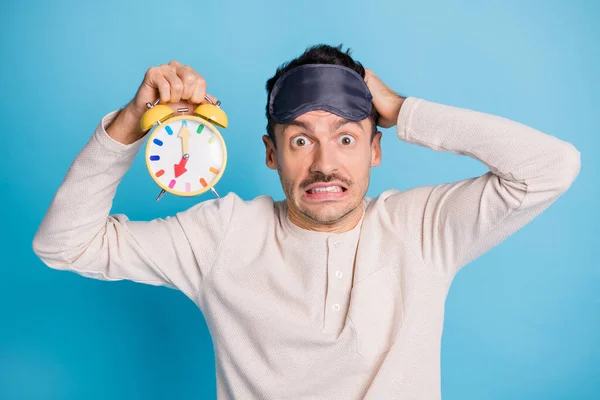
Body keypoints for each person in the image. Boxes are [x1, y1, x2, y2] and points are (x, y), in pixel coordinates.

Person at [32, 44, 581, 399]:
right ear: (271, 154)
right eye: (300, 140)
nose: (324, 164)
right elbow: (66, 245)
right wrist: (130, 122)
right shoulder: (222, 234)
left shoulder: (423, 228)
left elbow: (553, 167)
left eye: (346, 138)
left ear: (376, 151)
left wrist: (403, 108)